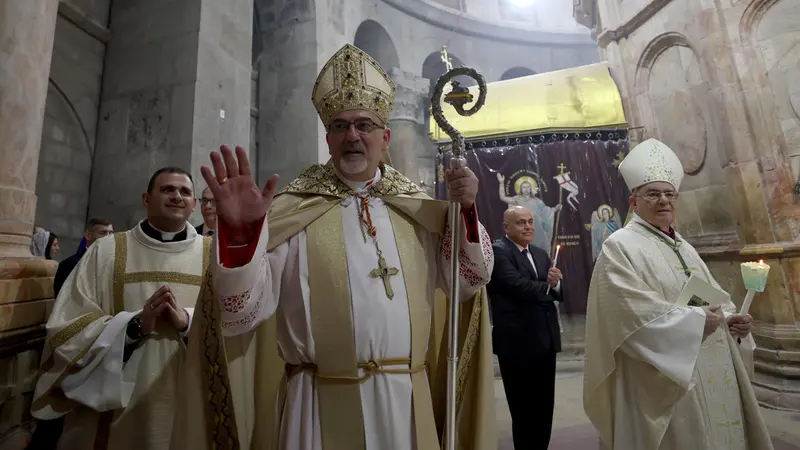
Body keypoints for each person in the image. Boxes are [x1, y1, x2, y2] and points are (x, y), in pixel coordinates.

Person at [174, 44, 496, 450]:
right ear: (327, 138)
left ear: (386, 136)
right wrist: (240, 238)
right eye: (340, 126)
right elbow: (239, 314)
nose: (352, 136)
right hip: (316, 405)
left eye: (364, 124)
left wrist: (465, 212)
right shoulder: (291, 213)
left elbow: (467, 282)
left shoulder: (422, 212)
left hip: (405, 404)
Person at [583, 139, 773, 450]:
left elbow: (707, 298)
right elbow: (626, 314)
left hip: (709, 365)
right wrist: (694, 323)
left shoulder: (682, 245)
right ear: (634, 203)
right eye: (653, 194)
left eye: (669, 194)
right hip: (662, 380)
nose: (663, 201)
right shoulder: (619, 246)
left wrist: (731, 320)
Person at [30, 167, 211, 450]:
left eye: (185, 191)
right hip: (116, 407)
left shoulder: (214, 255)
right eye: (167, 189)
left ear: (194, 205)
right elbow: (67, 325)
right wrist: (134, 326)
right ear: (146, 198)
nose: (177, 196)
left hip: (188, 398)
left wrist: (187, 321)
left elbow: (234, 325)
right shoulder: (106, 251)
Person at [488, 206, 563, 450]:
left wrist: (556, 283)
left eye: (530, 221)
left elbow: (557, 293)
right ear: (506, 227)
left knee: (544, 408)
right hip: (517, 343)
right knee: (523, 410)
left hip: (545, 341)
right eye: (521, 222)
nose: (528, 226)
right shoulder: (499, 252)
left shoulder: (541, 254)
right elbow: (518, 287)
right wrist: (547, 287)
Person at [53, 218, 114, 297]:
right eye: (103, 233)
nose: (108, 237)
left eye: (111, 233)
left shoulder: (113, 263)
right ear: (88, 235)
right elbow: (62, 298)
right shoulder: (70, 264)